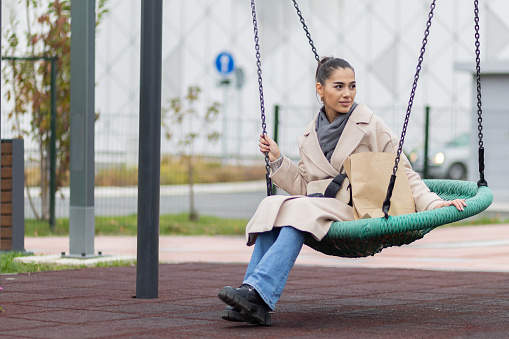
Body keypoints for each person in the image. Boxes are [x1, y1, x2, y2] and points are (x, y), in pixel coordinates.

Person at [217, 57, 466, 326]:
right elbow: (304, 186)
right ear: (320, 90)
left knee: (299, 211)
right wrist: (278, 159)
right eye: (339, 86)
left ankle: (259, 294)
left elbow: (405, 174)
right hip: (319, 207)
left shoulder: (371, 125)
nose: (347, 93)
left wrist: (433, 203)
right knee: (273, 205)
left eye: (352, 86)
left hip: (356, 209)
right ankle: (252, 296)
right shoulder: (308, 136)